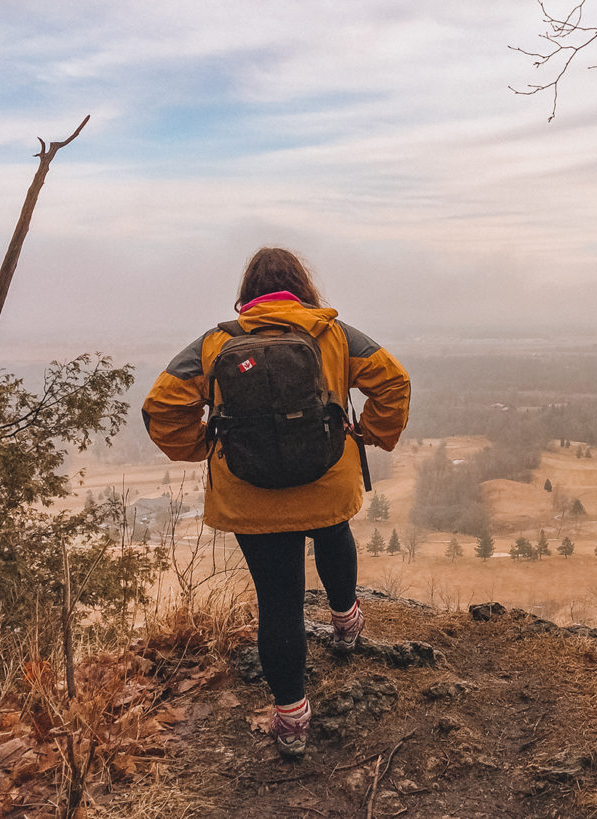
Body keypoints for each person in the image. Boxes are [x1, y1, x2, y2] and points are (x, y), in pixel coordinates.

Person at [142, 247, 411, 758]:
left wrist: (201, 447)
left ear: (248, 296)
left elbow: (162, 407)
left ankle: (290, 719)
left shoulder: (215, 343)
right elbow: (393, 382)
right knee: (334, 533)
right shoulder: (333, 334)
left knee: (279, 600)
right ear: (303, 289)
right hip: (326, 479)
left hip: (250, 494)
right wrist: (370, 433)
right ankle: (346, 621)